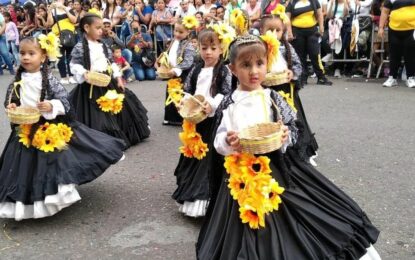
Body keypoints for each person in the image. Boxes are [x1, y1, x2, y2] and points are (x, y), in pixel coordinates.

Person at [196, 34, 380, 259]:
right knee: (243, 222)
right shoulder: (229, 102)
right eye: (246, 65)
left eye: (259, 64)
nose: (254, 71)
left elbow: (294, 129)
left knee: (292, 213)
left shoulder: (273, 97)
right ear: (233, 69)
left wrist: (285, 135)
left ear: (267, 64)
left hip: (276, 168)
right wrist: (228, 142)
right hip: (240, 175)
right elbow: (218, 142)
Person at [0, 34, 125, 220]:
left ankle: (55, 196)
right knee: (24, 168)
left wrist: (51, 106)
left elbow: (65, 103)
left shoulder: (49, 79)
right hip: (25, 129)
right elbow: (11, 100)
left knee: (51, 164)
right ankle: (27, 204)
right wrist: (11, 106)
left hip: (47, 129)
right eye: (22, 53)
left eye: (31, 53)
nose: (25, 57)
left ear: (42, 57)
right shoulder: (17, 80)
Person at [172, 27, 232, 217]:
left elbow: (226, 92)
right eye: (204, 47)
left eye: (212, 48)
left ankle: (206, 200)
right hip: (196, 119)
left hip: (213, 120)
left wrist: (212, 105)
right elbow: (188, 88)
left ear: (221, 49)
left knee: (209, 159)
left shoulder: (223, 70)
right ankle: (191, 192)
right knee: (194, 156)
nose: (208, 52)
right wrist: (184, 100)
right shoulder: (196, 68)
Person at [69, 13, 150, 148]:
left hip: (107, 81)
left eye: (102, 27)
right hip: (92, 84)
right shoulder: (80, 47)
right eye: (98, 28)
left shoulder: (103, 45)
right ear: (87, 27)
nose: (102, 30)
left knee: (119, 107)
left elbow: (111, 62)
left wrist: (118, 78)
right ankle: (102, 140)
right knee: (97, 113)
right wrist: (84, 73)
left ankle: (122, 134)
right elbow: (74, 64)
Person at [260, 8, 319, 165]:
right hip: (268, 90)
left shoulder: (286, 47)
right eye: (269, 30)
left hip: (286, 90)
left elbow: (298, 66)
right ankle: (274, 149)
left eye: (277, 30)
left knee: (293, 119)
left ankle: (302, 151)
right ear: (261, 30)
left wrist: (291, 74)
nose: (273, 33)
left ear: (283, 31)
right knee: (272, 119)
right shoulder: (259, 48)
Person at [156, 17, 196, 125]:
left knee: (181, 95)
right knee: (171, 93)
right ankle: (170, 117)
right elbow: (169, 54)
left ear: (188, 32)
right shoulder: (174, 42)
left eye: (181, 32)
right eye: (176, 31)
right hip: (172, 71)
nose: (177, 34)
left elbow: (188, 62)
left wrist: (176, 70)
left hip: (183, 74)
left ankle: (181, 117)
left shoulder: (189, 46)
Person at [287, 0, 333, 85]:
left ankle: (321, 77)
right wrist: (289, 32)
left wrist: (321, 27)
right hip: (297, 31)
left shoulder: (314, 1)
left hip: (312, 31)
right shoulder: (292, 2)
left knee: (315, 54)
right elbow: (287, 18)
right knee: (300, 56)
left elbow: (319, 14)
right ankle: (302, 77)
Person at [379, 0, 415, 88]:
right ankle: (392, 78)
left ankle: (410, 77)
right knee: (394, 54)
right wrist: (381, 27)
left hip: (411, 29)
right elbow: (385, 11)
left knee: (410, 54)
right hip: (394, 29)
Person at [46, 0, 78, 85]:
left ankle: (71, 76)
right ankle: (63, 77)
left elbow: (74, 20)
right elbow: (49, 23)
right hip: (57, 36)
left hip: (70, 35)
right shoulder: (53, 11)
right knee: (60, 57)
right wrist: (49, 11)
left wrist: (65, 9)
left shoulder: (68, 9)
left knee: (71, 56)